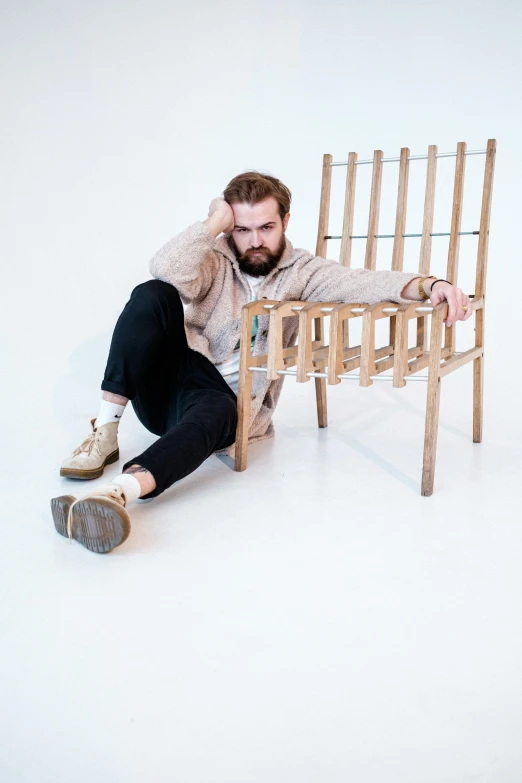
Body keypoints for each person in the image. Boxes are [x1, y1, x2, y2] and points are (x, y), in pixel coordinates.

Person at [51, 171, 472, 554]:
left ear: (285, 222)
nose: (255, 241)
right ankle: (105, 432)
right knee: (153, 293)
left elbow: (359, 282)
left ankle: (114, 495)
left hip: (216, 404)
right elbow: (165, 267)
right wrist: (213, 224)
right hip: (172, 380)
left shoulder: (302, 271)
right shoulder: (213, 258)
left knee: (222, 409)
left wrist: (429, 284)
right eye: (243, 229)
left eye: (266, 228)